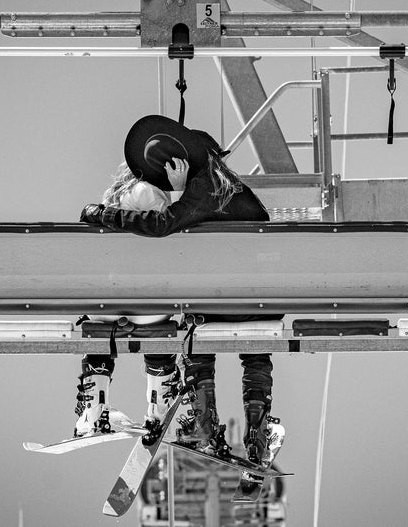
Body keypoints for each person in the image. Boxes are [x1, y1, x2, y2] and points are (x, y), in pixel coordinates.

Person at [80, 114, 280, 465]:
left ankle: (203, 424)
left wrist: (102, 214)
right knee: (253, 346)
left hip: (216, 301)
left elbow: (162, 226)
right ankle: (257, 433)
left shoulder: (202, 188)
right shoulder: (230, 189)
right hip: (261, 299)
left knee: (194, 331)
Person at [73, 160, 188, 439]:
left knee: (97, 335)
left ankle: (94, 413)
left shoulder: (109, 200)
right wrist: (180, 190)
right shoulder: (149, 192)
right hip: (147, 305)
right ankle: (157, 409)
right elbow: (176, 232)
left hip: (106, 305)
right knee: (161, 328)